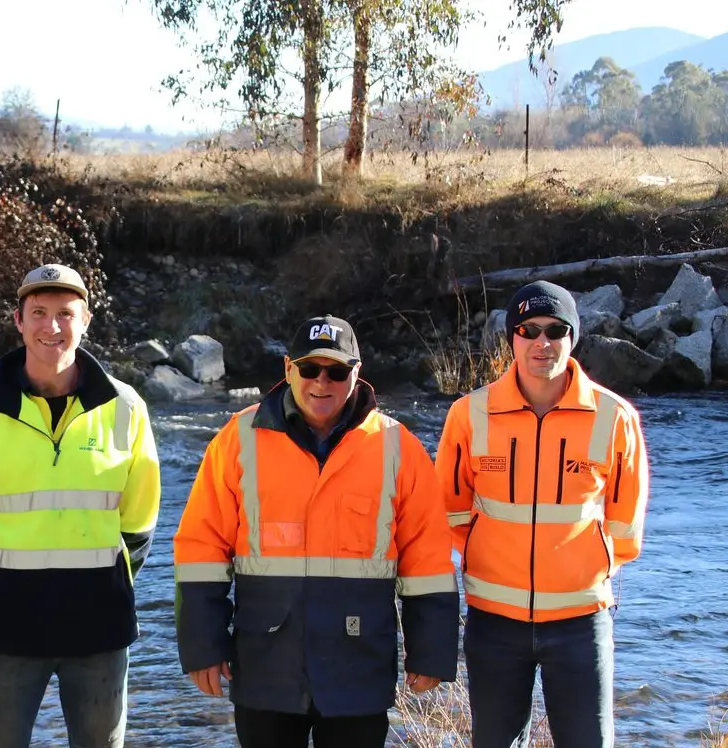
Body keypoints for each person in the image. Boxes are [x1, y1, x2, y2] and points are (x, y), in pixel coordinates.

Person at [174, 315, 460, 748]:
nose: (321, 382)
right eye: (309, 369)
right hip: (265, 666)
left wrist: (431, 652)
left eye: (337, 371)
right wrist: (203, 646)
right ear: (288, 368)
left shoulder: (398, 447)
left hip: (357, 668)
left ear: (356, 373)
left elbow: (428, 557)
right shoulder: (238, 438)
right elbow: (201, 545)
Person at [0, 263, 162, 748]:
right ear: (18, 321)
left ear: (86, 319)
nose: (51, 327)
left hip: (100, 626)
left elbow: (140, 521)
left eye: (65, 313)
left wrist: (104, 581)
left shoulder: (127, 409)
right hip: (6, 625)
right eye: (38, 312)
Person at [436, 280, 651, 748]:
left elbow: (626, 530)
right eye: (528, 330)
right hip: (493, 622)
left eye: (555, 330)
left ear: (572, 338)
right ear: (511, 336)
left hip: (581, 624)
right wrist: (491, 560)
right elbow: (449, 513)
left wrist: (578, 572)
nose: (542, 343)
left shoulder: (614, 417)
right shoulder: (468, 414)